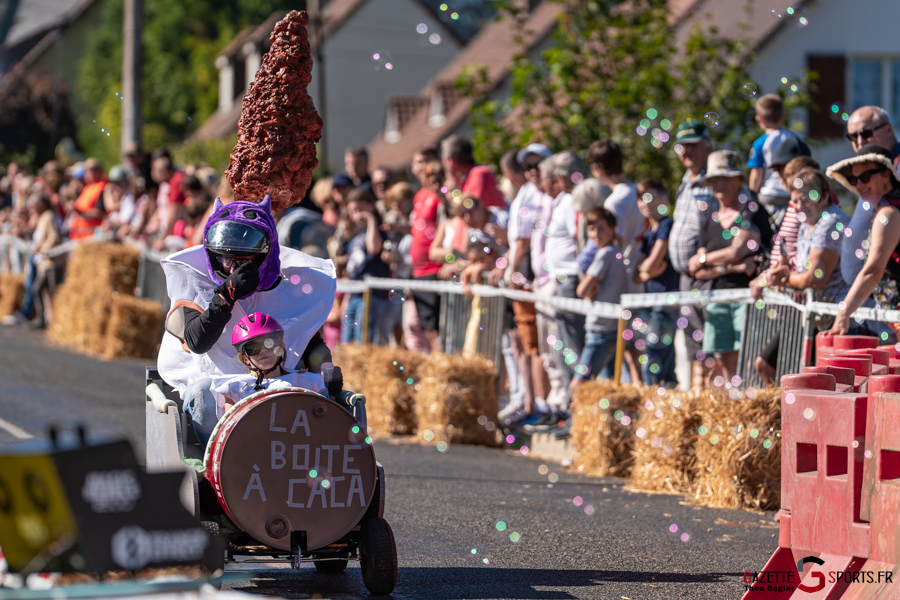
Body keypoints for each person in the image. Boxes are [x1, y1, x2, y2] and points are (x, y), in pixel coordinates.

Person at [157, 196, 338, 444]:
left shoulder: (288, 286)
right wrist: (226, 296)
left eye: (243, 261)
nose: (233, 269)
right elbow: (197, 341)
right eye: (226, 259)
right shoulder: (192, 280)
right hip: (217, 389)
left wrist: (325, 367)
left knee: (317, 390)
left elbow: (306, 340)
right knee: (201, 393)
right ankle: (218, 463)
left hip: (276, 385)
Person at [754, 169, 849, 383]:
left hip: (834, 319)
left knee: (814, 384)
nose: (798, 207)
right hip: (813, 315)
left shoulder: (831, 222)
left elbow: (814, 279)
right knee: (765, 365)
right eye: (795, 202)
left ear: (824, 196)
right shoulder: (808, 224)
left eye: (805, 200)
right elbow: (803, 272)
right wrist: (787, 270)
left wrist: (785, 279)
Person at [688, 150, 772, 383]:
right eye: (714, 179)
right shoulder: (710, 218)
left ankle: (746, 400)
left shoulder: (752, 211)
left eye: (725, 178)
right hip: (718, 295)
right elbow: (698, 270)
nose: (719, 184)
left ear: (738, 180)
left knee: (748, 353)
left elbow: (737, 250)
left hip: (751, 298)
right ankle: (732, 401)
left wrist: (707, 258)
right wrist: (732, 267)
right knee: (723, 358)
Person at [207, 314, 328, 437]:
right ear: (245, 358)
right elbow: (231, 435)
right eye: (253, 348)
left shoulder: (308, 383)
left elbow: (321, 429)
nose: (263, 350)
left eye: (269, 343)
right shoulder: (234, 389)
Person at [826, 146, 900, 336]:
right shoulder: (889, 208)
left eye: (866, 177)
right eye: (853, 179)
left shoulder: (889, 213)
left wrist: (843, 313)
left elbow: (873, 271)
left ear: (886, 175)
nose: (859, 185)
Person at [504, 145, 552, 426]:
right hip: (524, 275)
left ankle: (542, 404)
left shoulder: (542, 195)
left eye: (538, 165)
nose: (532, 171)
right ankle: (530, 402)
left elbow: (523, 242)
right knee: (522, 342)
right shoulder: (527, 192)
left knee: (537, 345)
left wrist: (510, 271)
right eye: (528, 167)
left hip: (532, 276)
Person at [668, 119, 716, 389]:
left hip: (705, 274)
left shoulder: (714, 179)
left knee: (709, 343)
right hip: (685, 276)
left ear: (707, 146)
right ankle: (698, 395)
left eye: (693, 146)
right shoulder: (686, 181)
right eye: (682, 147)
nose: (687, 152)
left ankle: (707, 396)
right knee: (692, 342)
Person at [570, 207, 625, 397]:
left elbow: (582, 289)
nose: (595, 234)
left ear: (612, 228)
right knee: (609, 389)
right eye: (592, 229)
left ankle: (574, 425)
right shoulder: (616, 251)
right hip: (612, 328)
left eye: (601, 229)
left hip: (600, 330)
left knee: (578, 386)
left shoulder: (605, 254)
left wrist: (588, 289)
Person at [633, 178, 679, 386]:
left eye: (649, 197)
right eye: (640, 198)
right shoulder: (647, 233)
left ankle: (662, 402)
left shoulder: (666, 225)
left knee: (654, 359)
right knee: (661, 359)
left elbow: (651, 264)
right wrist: (647, 272)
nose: (644, 203)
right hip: (652, 303)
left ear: (663, 199)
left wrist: (647, 270)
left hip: (666, 302)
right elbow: (639, 272)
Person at [339, 188, 395, 345]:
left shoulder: (379, 232)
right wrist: (345, 299)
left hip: (371, 295)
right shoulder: (353, 236)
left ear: (371, 207)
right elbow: (352, 269)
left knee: (364, 337)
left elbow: (373, 248)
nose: (356, 215)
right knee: (346, 339)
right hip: (354, 294)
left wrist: (371, 220)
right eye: (352, 211)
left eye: (360, 209)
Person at [747, 94, 801, 227]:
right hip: (791, 194)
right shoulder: (795, 140)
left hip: (769, 196)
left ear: (759, 120)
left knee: (771, 233)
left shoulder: (760, 143)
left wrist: (751, 195)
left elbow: (757, 173)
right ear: (784, 116)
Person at [441, 135, 506, 209]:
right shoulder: (470, 176)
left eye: (444, 160)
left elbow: (470, 210)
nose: (443, 164)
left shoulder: (479, 174)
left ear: (451, 161)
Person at [69, 158, 107, 240]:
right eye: (88, 171)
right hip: (80, 237)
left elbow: (100, 212)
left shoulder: (102, 187)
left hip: (93, 237)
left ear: (99, 171)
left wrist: (79, 212)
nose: (89, 174)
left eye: (92, 171)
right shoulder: (88, 187)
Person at [150, 151, 185, 241]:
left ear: (165, 172)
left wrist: (163, 238)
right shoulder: (172, 181)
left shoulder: (176, 182)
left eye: (155, 171)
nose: (153, 174)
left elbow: (174, 212)